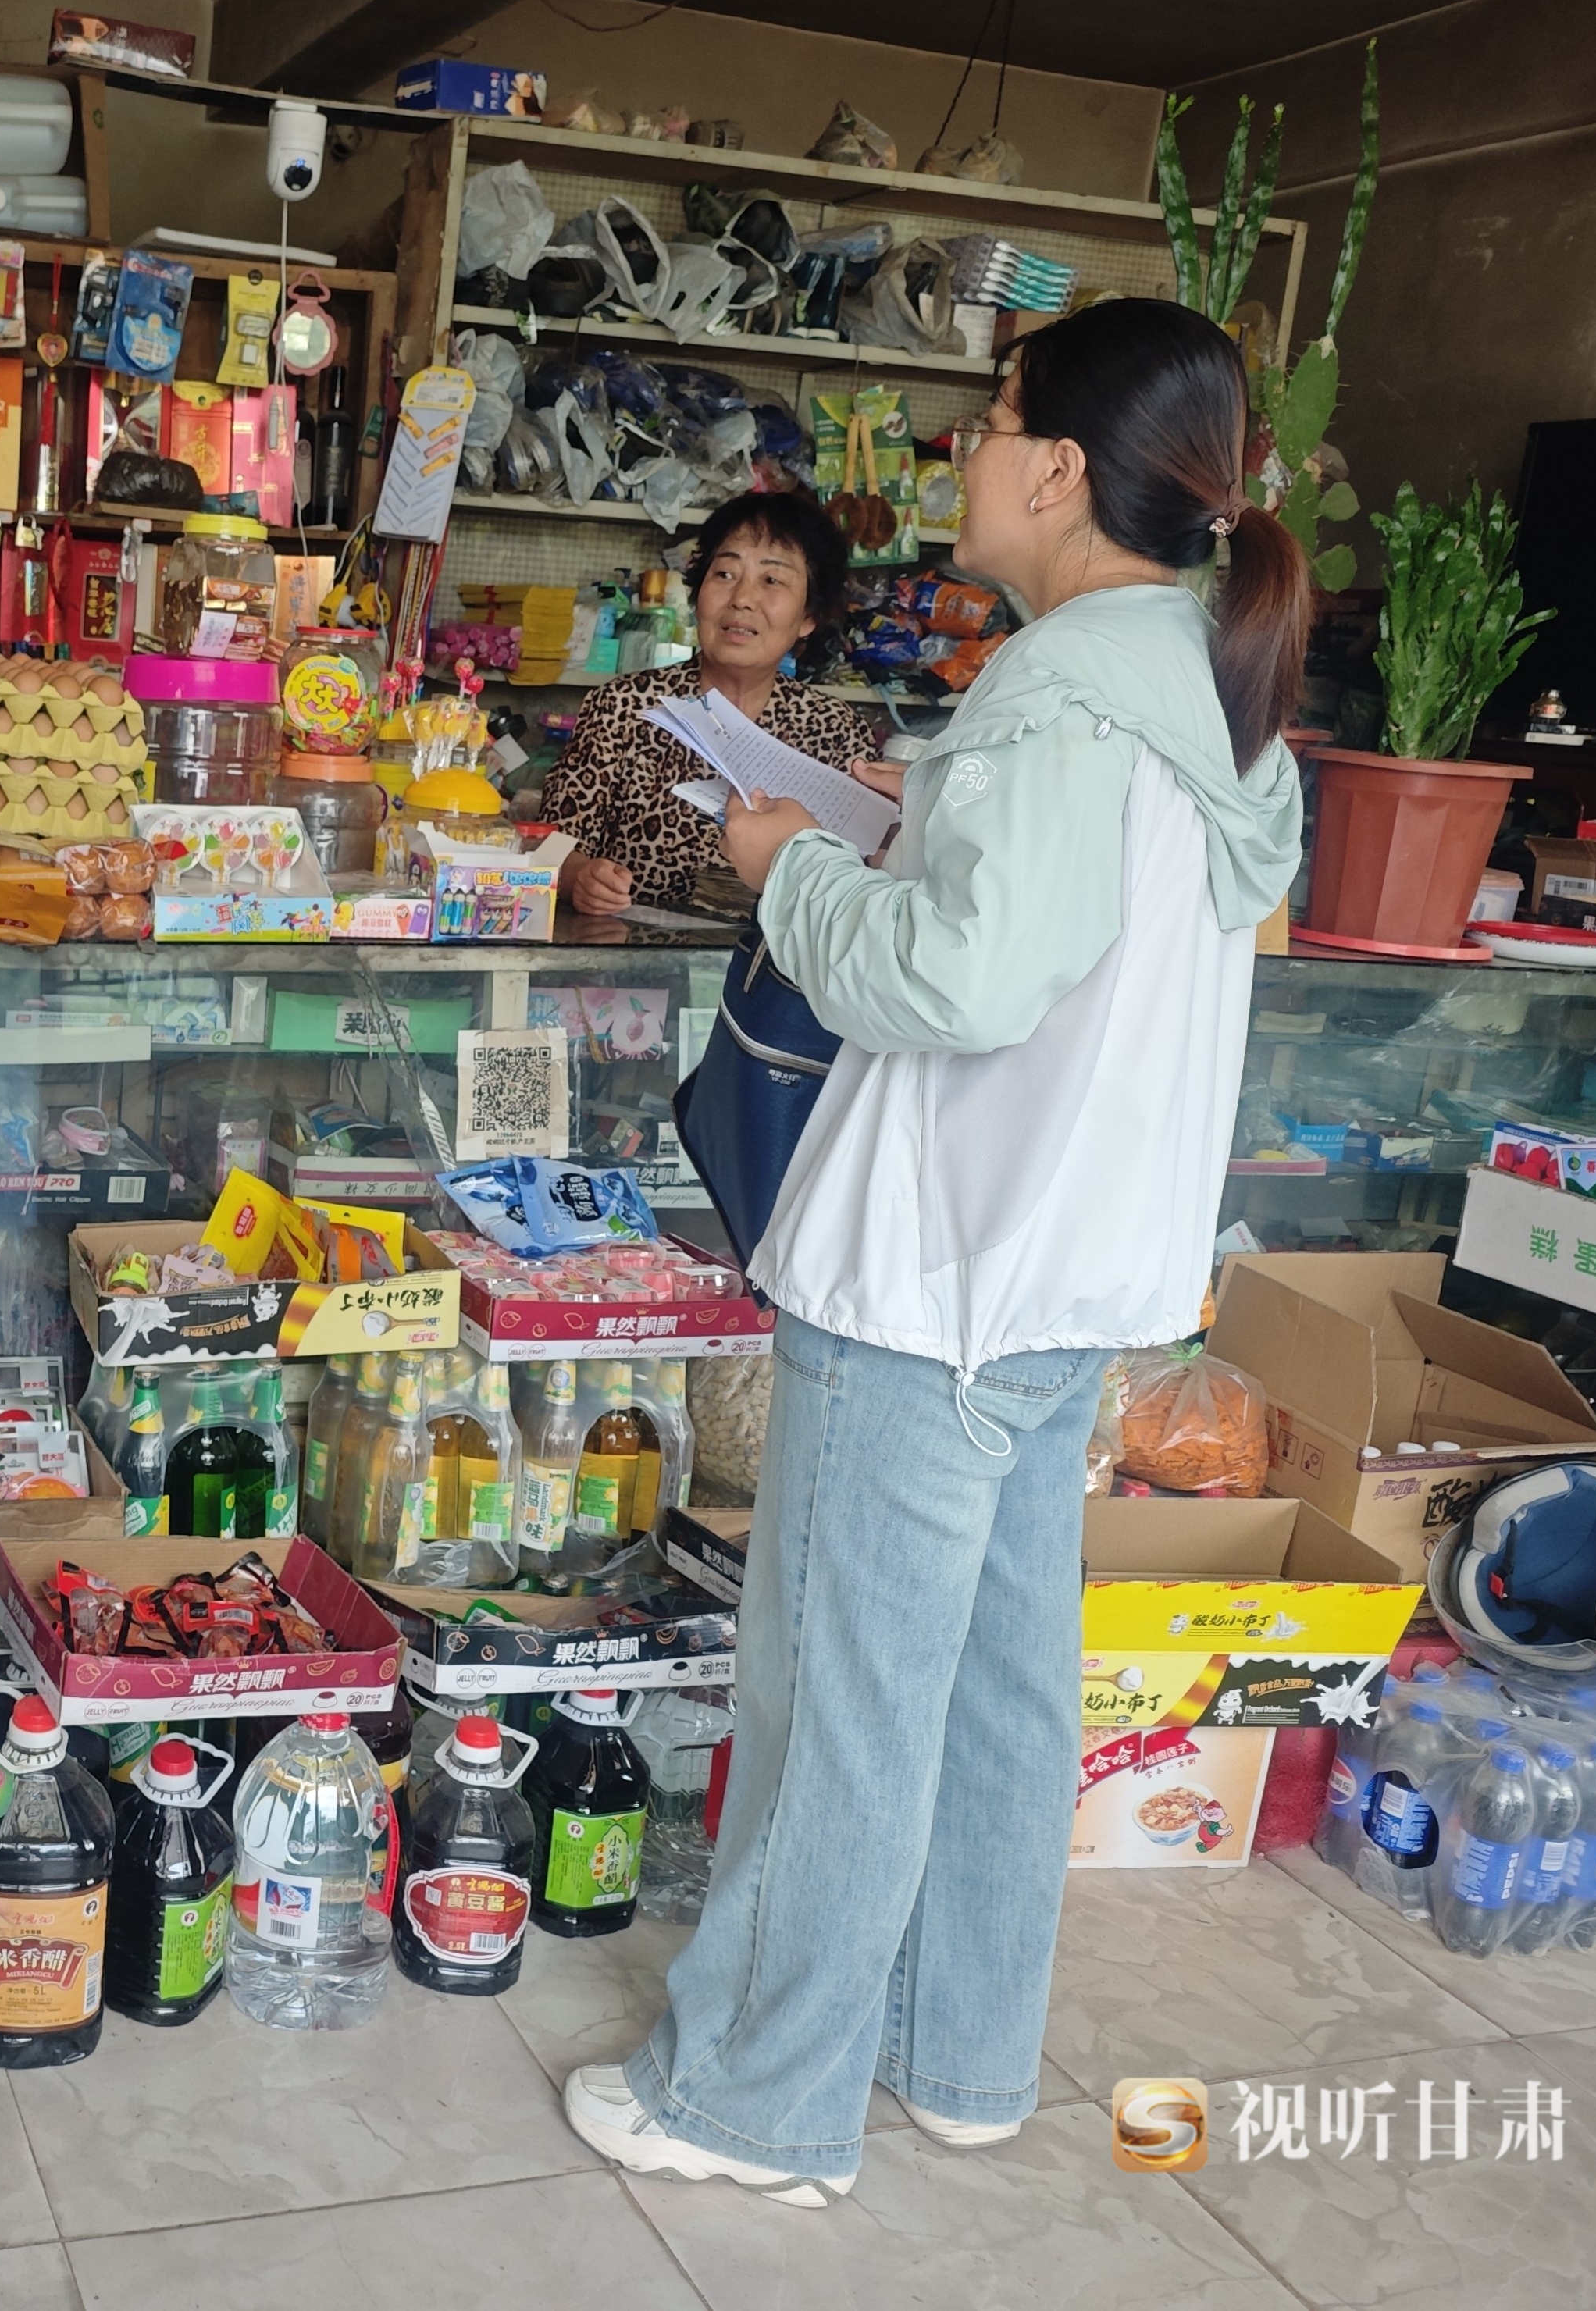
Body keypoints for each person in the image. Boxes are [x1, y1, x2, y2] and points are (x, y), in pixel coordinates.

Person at [556, 297, 1304, 2206]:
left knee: (841, 1714)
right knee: (991, 1691)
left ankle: (753, 2102)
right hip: (1073, 1289)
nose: (965, 449)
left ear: (1060, 468)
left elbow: (964, 981)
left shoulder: (1063, 687)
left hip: (944, 1282)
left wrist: (779, 866)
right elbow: (1054, 935)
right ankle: (962, 2054)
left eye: (990, 419)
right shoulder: (1202, 693)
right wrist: (896, 835)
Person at [540, 491, 873, 916]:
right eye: (725, 574)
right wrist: (580, 879)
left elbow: (863, 881)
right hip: (634, 966)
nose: (742, 598)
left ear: (809, 616)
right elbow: (552, 845)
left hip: (777, 973)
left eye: (772, 580)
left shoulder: (837, 732)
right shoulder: (624, 707)